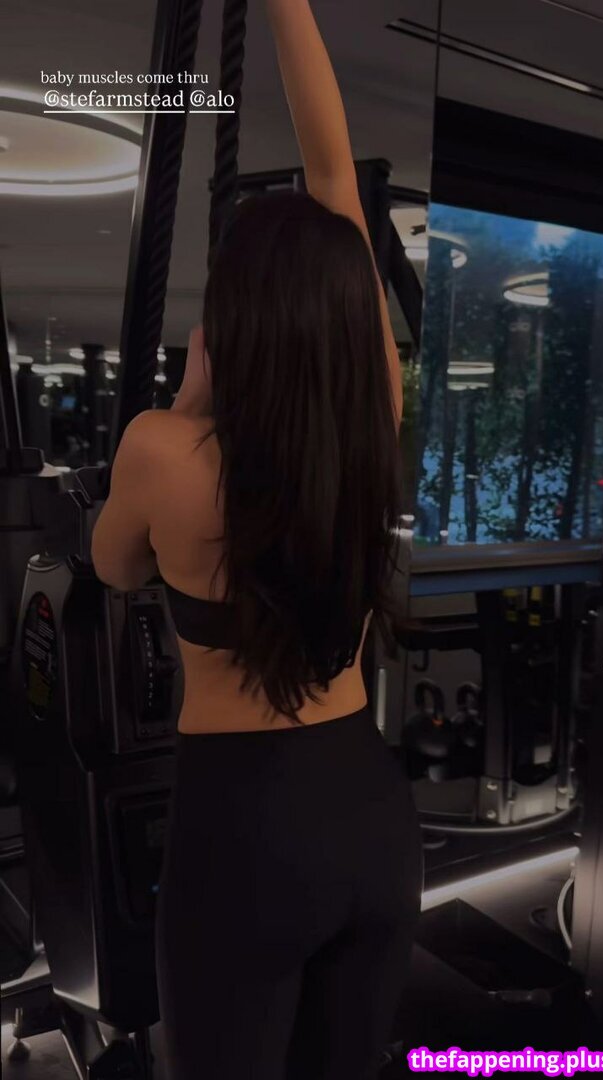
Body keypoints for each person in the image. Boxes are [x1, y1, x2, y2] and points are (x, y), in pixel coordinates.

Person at [91, 0, 423, 1076]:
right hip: (371, 822)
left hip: (242, 836)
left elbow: (112, 565)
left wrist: (188, 405)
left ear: (229, 320)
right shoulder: (374, 406)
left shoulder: (161, 449)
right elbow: (335, 180)